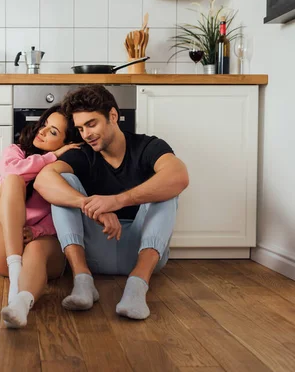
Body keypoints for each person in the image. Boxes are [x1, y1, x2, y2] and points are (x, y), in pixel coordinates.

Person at [34, 85, 189, 320]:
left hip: (143, 250)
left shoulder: (148, 147)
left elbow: (179, 176)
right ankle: (83, 282)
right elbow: (43, 180)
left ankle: (137, 287)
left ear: (113, 116)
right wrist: (91, 206)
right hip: (95, 251)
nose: (86, 134)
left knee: (166, 187)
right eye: (80, 128)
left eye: (92, 124)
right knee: (62, 183)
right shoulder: (83, 154)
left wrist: (116, 201)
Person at [0, 104, 82, 328]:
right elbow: (13, 171)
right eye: (45, 125)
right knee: (13, 181)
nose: (43, 131)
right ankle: (16, 268)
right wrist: (51, 156)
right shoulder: (16, 151)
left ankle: (20, 304)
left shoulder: (63, 168)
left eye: (53, 132)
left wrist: (36, 231)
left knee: (37, 248)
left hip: (44, 252)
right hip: (5, 252)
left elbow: (65, 213)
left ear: (67, 144)